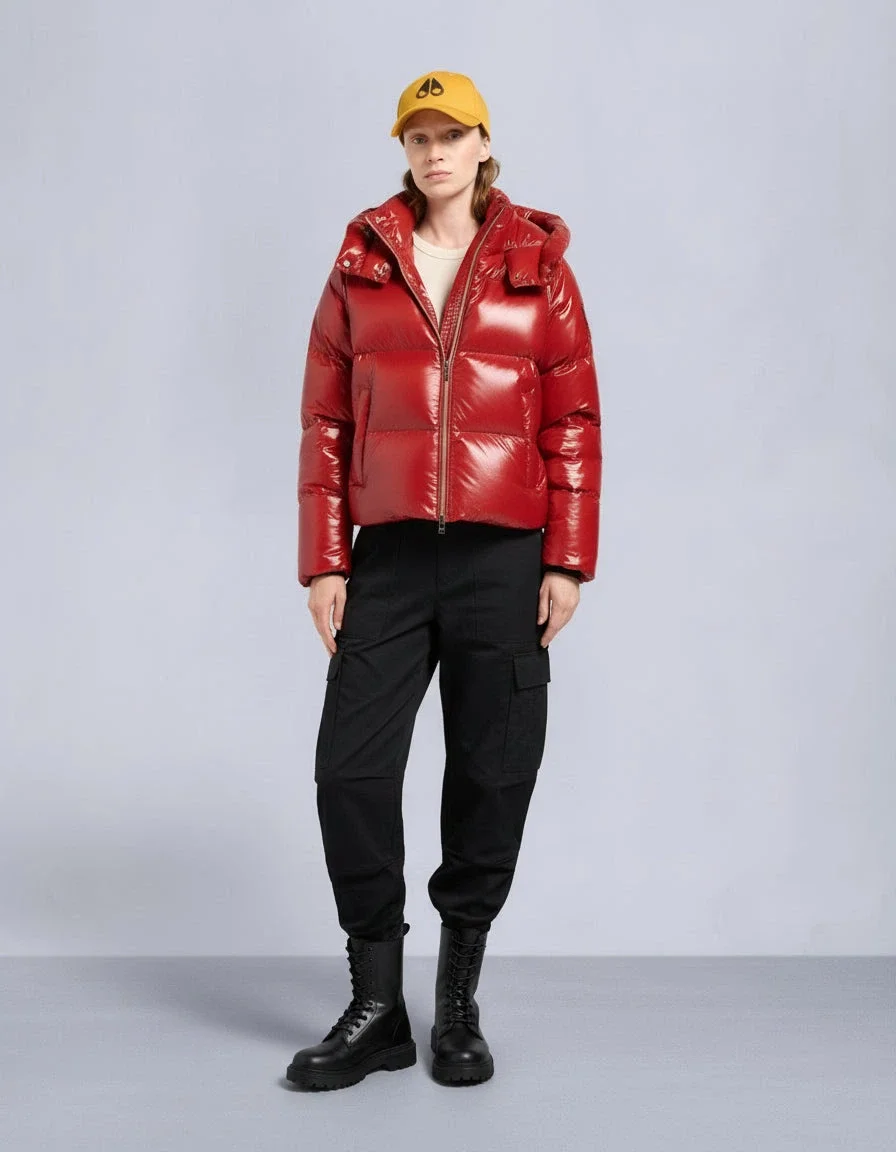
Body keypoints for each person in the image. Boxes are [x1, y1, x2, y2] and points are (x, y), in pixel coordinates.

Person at [286, 70, 602, 1091]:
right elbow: (326, 423)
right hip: (386, 557)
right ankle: (377, 1007)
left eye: (451, 135)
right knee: (350, 771)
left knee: (491, 773)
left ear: (482, 145)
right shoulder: (361, 263)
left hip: (502, 557)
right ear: (404, 150)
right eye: (417, 137)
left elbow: (573, 421)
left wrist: (566, 558)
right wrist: (325, 560)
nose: (434, 152)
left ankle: (456, 1002)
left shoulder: (536, 264)